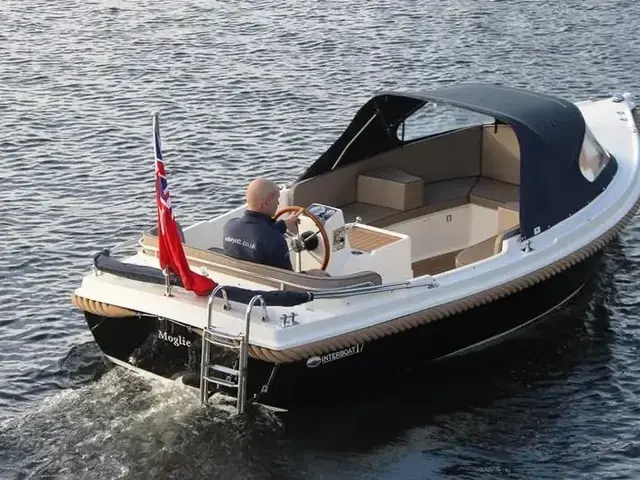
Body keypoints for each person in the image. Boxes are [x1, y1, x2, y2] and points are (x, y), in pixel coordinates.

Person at [223, 178, 330, 276]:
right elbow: (289, 280)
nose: (278, 203)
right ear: (267, 202)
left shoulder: (229, 227)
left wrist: (284, 224)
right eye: (277, 199)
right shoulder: (276, 241)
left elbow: (257, 235)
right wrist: (309, 274)